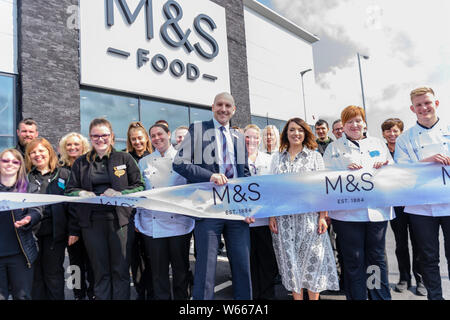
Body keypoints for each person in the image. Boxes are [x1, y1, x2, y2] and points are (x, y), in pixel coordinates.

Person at [173, 92, 254, 300]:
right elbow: (180, 163)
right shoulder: (198, 130)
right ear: (212, 107)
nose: (224, 109)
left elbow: (244, 175)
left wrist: (250, 208)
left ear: (234, 110)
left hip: (236, 210)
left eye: (228, 105)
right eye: (220, 105)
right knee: (206, 269)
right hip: (209, 209)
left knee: (243, 267)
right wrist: (210, 176)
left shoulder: (238, 136)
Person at [65, 118, 145, 300]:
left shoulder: (124, 158)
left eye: (104, 135)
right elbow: (69, 190)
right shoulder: (81, 163)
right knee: (100, 270)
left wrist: (120, 193)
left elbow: (140, 186)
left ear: (112, 137)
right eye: (95, 136)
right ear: (90, 138)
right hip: (92, 224)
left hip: (121, 223)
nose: (100, 139)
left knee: (120, 270)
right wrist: (81, 194)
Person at [323, 106, 394, 300]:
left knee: (376, 260)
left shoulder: (378, 144)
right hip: (346, 215)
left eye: (358, 120)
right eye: (349, 122)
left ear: (364, 122)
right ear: (343, 126)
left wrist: (385, 167)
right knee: (353, 260)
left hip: (376, 212)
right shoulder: (333, 148)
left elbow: (394, 172)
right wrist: (344, 173)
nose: (354, 125)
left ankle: (378, 297)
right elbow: (325, 178)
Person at [268, 118, 339, 300]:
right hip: (284, 221)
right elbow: (272, 190)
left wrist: (323, 216)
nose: (296, 133)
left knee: (312, 264)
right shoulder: (277, 158)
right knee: (291, 264)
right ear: (286, 134)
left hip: (310, 219)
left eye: (300, 130)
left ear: (306, 133)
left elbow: (323, 188)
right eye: (292, 130)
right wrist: (272, 216)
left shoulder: (315, 156)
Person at [395, 86, 450, 300]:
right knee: (427, 257)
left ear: (436, 103)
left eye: (427, 103)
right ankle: (435, 297)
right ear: (412, 108)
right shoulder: (405, 139)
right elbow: (400, 170)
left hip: (448, 203)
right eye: (418, 105)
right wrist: (427, 161)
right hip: (420, 208)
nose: (423, 107)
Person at [135, 123, 195, 300]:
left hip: (179, 223)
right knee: (158, 273)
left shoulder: (182, 159)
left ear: (168, 134)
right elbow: (139, 192)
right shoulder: (143, 162)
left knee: (180, 271)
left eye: (159, 134)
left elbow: (191, 189)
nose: (156, 138)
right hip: (152, 224)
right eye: (152, 136)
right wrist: (137, 219)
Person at [381, 118, 425, 295]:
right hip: (396, 205)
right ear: (383, 134)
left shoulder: (409, 149)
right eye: (388, 131)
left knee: (418, 243)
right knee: (400, 244)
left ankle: (420, 279)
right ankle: (404, 278)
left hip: (415, 204)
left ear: (401, 132)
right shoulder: (380, 151)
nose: (392, 134)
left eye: (395, 131)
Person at [25, 138, 70, 300]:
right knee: (35, 276)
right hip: (31, 235)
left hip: (55, 234)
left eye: (41, 151)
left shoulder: (64, 174)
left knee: (53, 275)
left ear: (49, 152)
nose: (37, 155)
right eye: (33, 152)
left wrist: (74, 231)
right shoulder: (26, 177)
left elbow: (71, 207)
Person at [0, 149, 42, 300]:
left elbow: (37, 210)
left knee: (22, 296)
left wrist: (28, 219)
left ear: (20, 165)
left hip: (21, 254)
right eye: (5, 160)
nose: (10, 164)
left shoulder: (30, 188)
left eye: (15, 161)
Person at [244, 124, 279, 300]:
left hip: (265, 220)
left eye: (255, 137)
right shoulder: (235, 160)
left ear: (260, 140)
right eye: (247, 137)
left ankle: (267, 297)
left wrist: (272, 215)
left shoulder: (269, 160)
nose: (251, 140)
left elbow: (274, 189)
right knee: (249, 263)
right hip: (244, 221)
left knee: (267, 262)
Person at [58, 132, 95, 300]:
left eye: (76, 144)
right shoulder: (61, 170)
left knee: (93, 263)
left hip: (90, 224)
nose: (72, 147)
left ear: (83, 147)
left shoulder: (89, 166)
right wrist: (72, 229)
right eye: (69, 145)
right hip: (69, 227)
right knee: (75, 265)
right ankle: (78, 295)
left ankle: (93, 294)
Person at [125, 121, 153, 300]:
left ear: (146, 139)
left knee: (151, 258)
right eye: (133, 139)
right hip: (132, 217)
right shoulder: (125, 159)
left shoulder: (153, 157)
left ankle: (152, 292)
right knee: (136, 260)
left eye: (140, 138)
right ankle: (140, 292)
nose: (137, 142)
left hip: (151, 215)